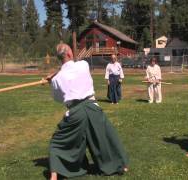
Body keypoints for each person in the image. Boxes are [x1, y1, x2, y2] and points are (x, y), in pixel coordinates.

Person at [48, 43, 128, 179]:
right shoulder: (83, 65)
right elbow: (71, 68)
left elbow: (59, 99)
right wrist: (55, 76)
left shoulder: (57, 79)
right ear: (69, 54)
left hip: (75, 113)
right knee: (104, 138)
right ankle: (120, 165)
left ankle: (54, 175)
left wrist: (52, 80)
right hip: (92, 107)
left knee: (57, 143)